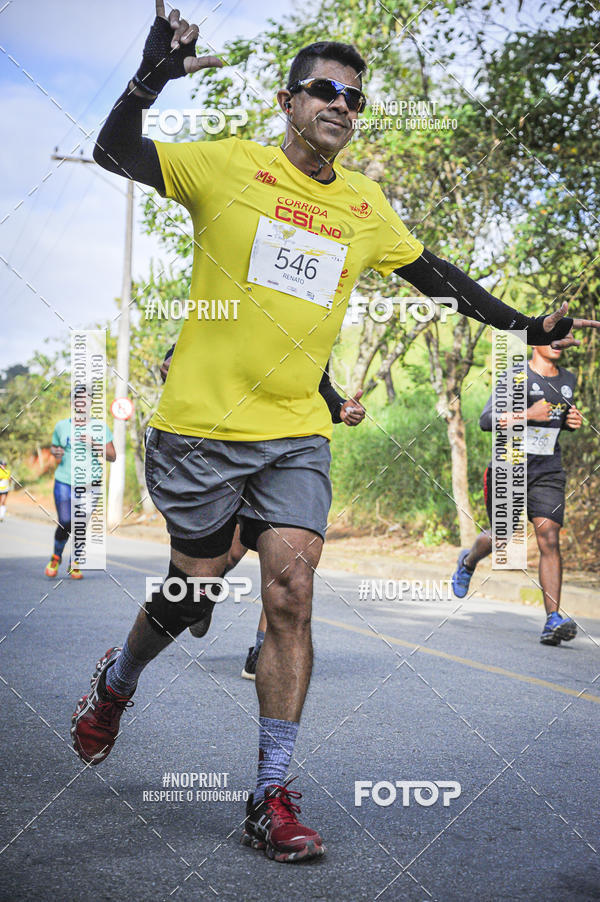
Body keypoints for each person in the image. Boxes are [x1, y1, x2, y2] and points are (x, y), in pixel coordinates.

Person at [72, 1, 599, 865]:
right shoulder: (227, 165)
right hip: (201, 432)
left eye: (354, 98)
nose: (341, 106)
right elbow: (113, 152)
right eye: (324, 91)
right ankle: (118, 681)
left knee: (290, 589)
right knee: (193, 597)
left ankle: (270, 793)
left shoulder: (362, 205)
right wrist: (148, 80)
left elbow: (436, 276)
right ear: (288, 101)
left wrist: (524, 323)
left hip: (294, 435)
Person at [160, 344, 366, 673]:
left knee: (286, 564)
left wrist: (340, 408)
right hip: (232, 448)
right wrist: (174, 360)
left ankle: (262, 648)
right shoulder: (239, 312)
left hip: (290, 454)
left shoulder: (314, 327)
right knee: (228, 555)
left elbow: (319, 387)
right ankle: (203, 595)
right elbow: (198, 339)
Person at [451, 345, 582, 645]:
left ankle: (552, 619)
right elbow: (486, 420)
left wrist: (569, 423)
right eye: (552, 336)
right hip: (509, 467)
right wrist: (528, 414)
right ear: (536, 341)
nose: (559, 342)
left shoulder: (568, 380)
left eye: (564, 337)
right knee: (502, 537)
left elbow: (555, 421)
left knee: (549, 537)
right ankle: (468, 561)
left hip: (547, 470)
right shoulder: (515, 376)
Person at [45, 389, 116, 579]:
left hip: (90, 484)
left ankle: (74, 562)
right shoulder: (61, 426)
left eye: (87, 400)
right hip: (64, 481)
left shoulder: (100, 427)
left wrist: (95, 444)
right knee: (65, 521)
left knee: (81, 523)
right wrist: (56, 452)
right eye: (79, 400)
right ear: (73, 403)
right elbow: (54, 448)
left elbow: (112, 456)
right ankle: (56, 556)